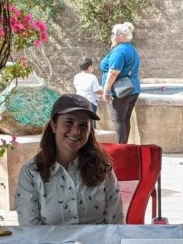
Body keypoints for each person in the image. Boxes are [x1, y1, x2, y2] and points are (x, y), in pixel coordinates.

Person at [14, 94, 124, 225]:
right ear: (54, 125)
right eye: (69, 122)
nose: (76, 131)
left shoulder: (102, 168)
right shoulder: (31, 172)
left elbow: (116, 223)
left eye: (83, 125)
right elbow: (29, 229)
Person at [101, 21, 141, 143]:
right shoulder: (131, 49)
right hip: (132, 89)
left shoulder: (119, 51)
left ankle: (120, 149)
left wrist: (106, 90)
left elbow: (113, 72)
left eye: (113, 34)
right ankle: (124, 147)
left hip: (120, 92)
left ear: (121, 36)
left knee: (118, 120)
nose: (112, 36)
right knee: (125, 120)